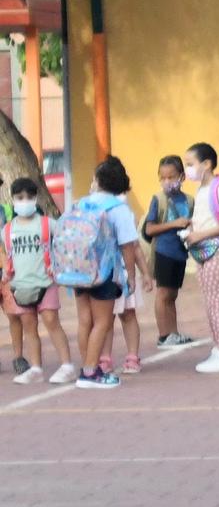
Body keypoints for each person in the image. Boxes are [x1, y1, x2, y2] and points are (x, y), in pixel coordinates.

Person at [67, 158, 152, 390]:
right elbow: (127, 245)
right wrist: (131, 277)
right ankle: (90, 372)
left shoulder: (81, 203)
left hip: (78, 269)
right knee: (103, 321)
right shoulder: (118, 209)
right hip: (105, 271)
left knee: (85, 320)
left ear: (98, 180)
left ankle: (86, 365)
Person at [4, 177, 76, 385]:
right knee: (29, 326)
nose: (24, 201)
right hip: (21, 285)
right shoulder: (7, 230)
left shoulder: (48, 224)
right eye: (19, 197)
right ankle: (36, 368)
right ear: (13, 200)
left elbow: (65, 244)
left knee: (52, 322)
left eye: (29, 197)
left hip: (46, 282)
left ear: (36, 198)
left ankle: (67, 365)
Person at [182, 142, 219, 374]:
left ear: (206, 164)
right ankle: (218, 348)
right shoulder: (202, 190)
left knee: (215, 304)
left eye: (190, 164)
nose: (188, 169)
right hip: (202, 252)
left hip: (217, 251)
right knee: (209, 304)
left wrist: (200, 234)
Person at [142, 156, 196, 350]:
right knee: (163, 293)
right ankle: (164, 335)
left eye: (171, 177)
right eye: (163, 178)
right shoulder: (158, 199)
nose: (167, 181)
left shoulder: (189, 200)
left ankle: (174, 333)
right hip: (163, 251)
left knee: (172, 294)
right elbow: (149, 229)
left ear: (181, 177)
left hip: (179, 253)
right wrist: (174, 223)